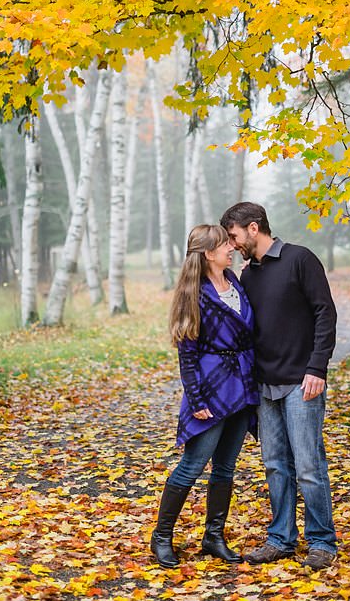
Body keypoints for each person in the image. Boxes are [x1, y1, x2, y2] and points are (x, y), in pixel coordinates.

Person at [220, 202, 339, 571]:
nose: (232, 243)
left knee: (308, 465)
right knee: (275, 466)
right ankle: (281, 539)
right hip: (264, 385)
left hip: (302, 382)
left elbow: (325, 313)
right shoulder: (249, 274)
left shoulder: (300, 259)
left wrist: (317, 367)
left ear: (253, 228)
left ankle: (322, 542)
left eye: (234, 235)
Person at [150, 224, 259, 568]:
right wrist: (196, 401)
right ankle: (161, 537)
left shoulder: (235, 282)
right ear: (208, 253)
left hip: (241, 387)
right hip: (211, 391)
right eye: (224, 244)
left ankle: (213, 537)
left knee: (225, 468)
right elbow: (188, 354)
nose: (231, 247)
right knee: (193, 465)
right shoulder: (194, 293)